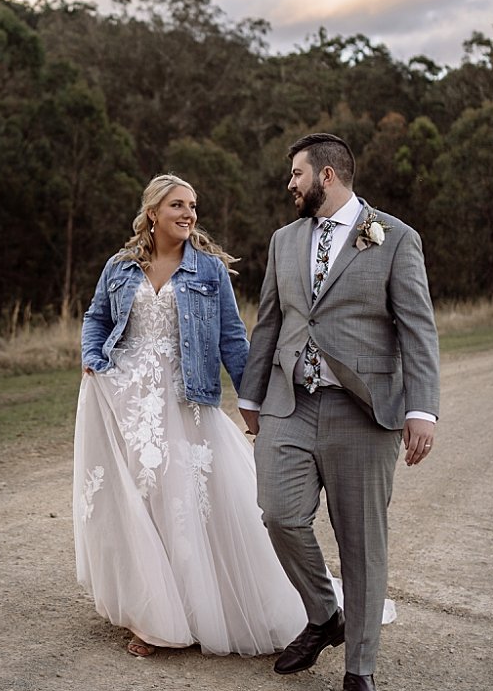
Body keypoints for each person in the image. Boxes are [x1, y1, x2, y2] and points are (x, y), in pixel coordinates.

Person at [239, 132, 440, 691]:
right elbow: (269, 322)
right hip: (290, 403)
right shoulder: (283, 241)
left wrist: (420, 410)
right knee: (278, 512)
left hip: (365, 410)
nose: (290, 184)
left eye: (297, 174)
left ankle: (360, 669)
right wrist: (252, 394)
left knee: (362, 544)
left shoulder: (395, 237)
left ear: (327, 176)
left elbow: (417, 329)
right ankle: (325, 615)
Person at [75, 174, 318, 658]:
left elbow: (233, 338)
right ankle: (154, 612)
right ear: (152, 213)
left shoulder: (206, 270)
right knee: (136, 500)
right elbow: (96, 317)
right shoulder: (120, 268)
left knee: (178, 498)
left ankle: (189, 610)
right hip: (125, 398)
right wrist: (92, 357)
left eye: (192, 206)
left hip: (185, 398)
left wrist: (256, 405)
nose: (188, 214)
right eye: (177, 206)